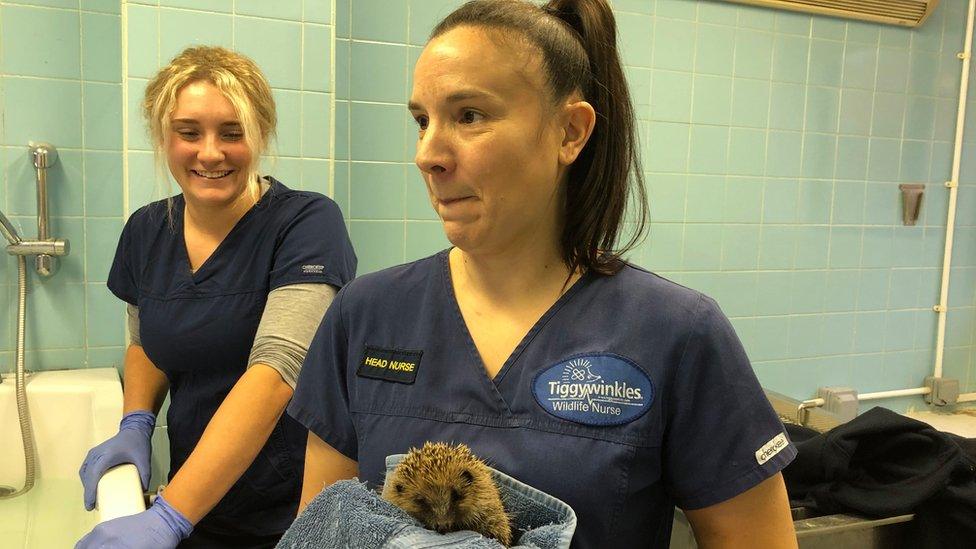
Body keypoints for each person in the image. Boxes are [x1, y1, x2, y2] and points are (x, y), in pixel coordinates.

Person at [287, 0, 798, 547]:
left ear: (570, 132)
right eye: (421, 120)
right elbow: (326, 529)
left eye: (469, 116)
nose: (428, 154)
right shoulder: (364, 314)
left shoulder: (676, 332)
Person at [76, 46, 356, 549]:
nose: (210, 153)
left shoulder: (307, 223)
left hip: (290, 509)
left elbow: (276, 375)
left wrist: (168, 518)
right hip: (197, 495)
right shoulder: (147, 229)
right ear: (165, 138)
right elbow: (145, 340)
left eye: (232, 132)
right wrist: (136, 420)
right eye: (189, 133)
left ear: (260, 136)